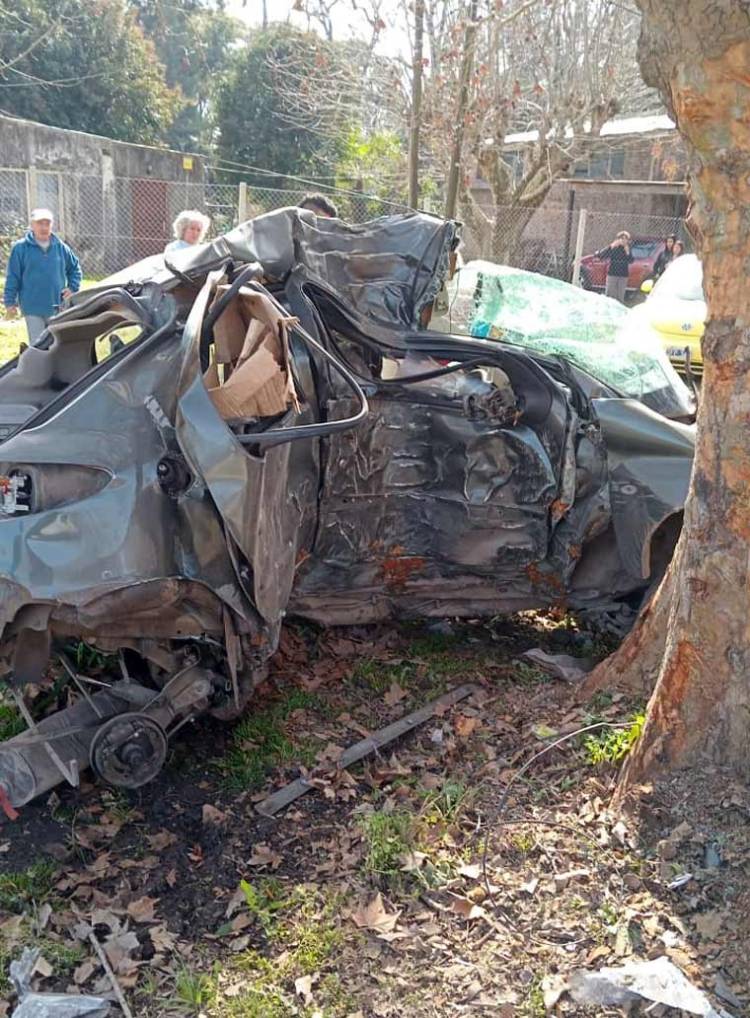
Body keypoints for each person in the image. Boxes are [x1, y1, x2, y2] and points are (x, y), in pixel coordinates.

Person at [2, 208, 82, 343]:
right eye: (40, 223)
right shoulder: (20, 249)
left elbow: (75, 268)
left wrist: (72, 287)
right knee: (38, 343)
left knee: (57, 343)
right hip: (32, 306)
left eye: (47, 223)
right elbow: (13, 277)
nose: (44, 227)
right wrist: (10, 302)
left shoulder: (61, 248)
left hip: (57, 306)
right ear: (32, 225)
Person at [595, 230, 633, 303]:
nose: (624, 241)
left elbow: (631, 261)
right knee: (610, 296)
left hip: (623, 275)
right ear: (617, 239)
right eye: (622, 238)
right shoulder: (613, 248)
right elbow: (601, 255)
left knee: (620, 297)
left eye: (626, 239)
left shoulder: (627, 249)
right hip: (612, 274)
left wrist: (628, 252)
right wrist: (610, 247)